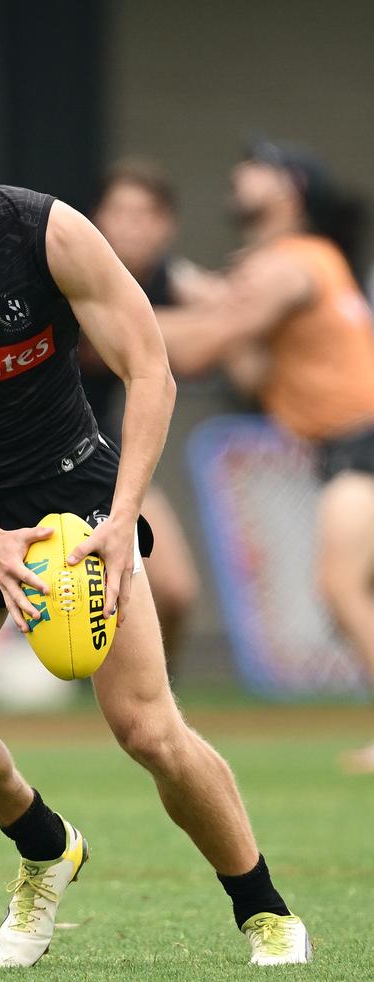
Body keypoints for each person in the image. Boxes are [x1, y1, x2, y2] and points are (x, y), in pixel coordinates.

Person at [0, 66, 310, 969]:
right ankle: (46, 844)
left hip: (74, 499)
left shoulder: (48, 233)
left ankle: (265, 909)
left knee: (148, 729)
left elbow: (152, 369)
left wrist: (122, 517)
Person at [156, 138, 374, 772]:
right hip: (341, 450)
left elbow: (200, 351)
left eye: (259, 167)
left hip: (362, 444)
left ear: (290, 190)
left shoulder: (292, 260)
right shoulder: (283, 264)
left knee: (340, 585)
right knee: (346, 587)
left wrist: (91, 310)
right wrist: (210, 297)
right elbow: (248, 365)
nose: (241, 173)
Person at [80, 161, 201, 667]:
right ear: (98, 218)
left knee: (175, 591)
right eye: (120, 211)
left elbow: (232, 329)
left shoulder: (171, 279)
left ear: (166, 226)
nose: (132, 224)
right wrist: (233, 318)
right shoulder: (77, 271)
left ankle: (153, 695)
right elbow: (98, 349)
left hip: (111, 456)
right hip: (29, 452)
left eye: (146, 213)